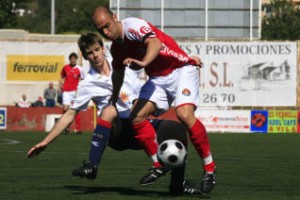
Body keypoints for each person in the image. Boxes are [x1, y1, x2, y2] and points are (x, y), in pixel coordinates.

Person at [27, 32, 203, 195]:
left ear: (103, 49)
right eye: (90, 53)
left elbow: (155, 52)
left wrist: (186, 61)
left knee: (178, 130)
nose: (95, 55)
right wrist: (45, 142)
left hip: (138, 126)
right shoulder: (88, 83)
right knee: (110, 109)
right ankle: (92, 165)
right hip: (116, 132)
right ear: (85, 56)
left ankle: (177, 185)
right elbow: (69, 114)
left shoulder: (122, 62)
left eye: (97, 50)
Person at [92, 7, 216, 193]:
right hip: (159, 78)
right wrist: (115, 94)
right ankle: (159, 164)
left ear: (115, 17)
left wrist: (143, 63)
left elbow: (155, 43)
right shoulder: (117, 47)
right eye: (101, 29)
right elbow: (118, 72)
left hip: (181, 69)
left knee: (183, 114)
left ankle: (209, 169)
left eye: (107, 26)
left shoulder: (133, 26)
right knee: (137, 117)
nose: (106, 32)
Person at [60, 52, 83, 134]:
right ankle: (66, 127)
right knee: (65, 109)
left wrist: (80, 88)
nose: (73, 60)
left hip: (75, 92)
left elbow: (83, 78)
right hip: (66, 91)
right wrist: (60, 85)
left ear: (76, 59)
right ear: (70, 59)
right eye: (71, 59)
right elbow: (61, 77)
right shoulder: (65, 67)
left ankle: (78, 129)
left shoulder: (79, 69)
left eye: (74, 58)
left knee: (75, 110)